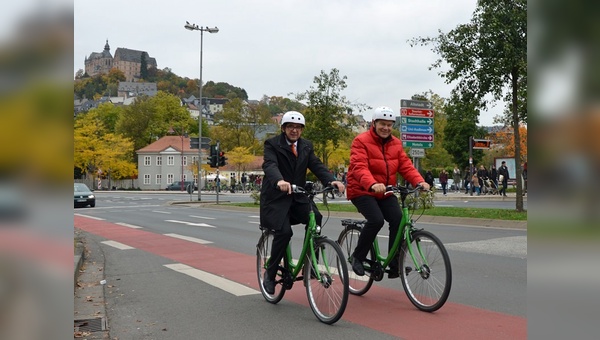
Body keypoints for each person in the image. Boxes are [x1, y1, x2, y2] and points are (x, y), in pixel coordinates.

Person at [260, 111, 345, 294]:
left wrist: (331, 181)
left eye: (298, 127)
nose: (294, 130)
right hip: (276, 197)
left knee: (317, 218)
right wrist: (279, 181)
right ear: (283, 128)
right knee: (284, 232)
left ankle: (310, 265)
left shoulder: (306, 146)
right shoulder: (272, 144)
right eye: (290, 126)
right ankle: (270, 273)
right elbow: (270, 165)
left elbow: (316, 165)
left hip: (297, 196)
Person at [345, 106, 430, 279]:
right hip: (361, 190)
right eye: (382, 124)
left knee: (398, 220)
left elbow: (405, 165)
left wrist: (419, 181)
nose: (386, 128)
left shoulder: (396, 143)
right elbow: (359, 167)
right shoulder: (361, 141)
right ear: (374, 123)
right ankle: (358, 257)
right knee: (376, 220)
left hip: (385, 190)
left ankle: (394, 264)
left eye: (389, 125)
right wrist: (372, 184)